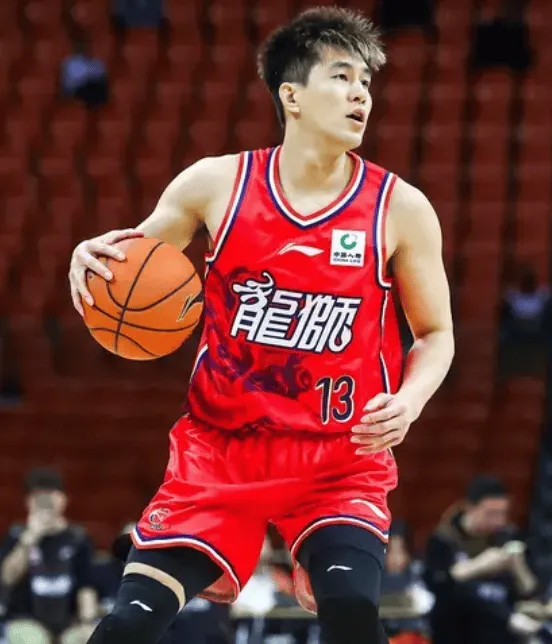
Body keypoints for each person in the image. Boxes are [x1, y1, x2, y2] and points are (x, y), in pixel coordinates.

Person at [68, 7, 454, 644]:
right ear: (291, 96)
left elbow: (436, 334)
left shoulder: (400, 208)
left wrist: (410, 400)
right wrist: (89, 257)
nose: (361, 93)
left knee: (353, 615)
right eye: (342, 77)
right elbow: (129, 266)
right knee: (126, 626)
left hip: (339, 456)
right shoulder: (215, 184)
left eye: (366, 81)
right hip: (220, 454)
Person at [423, 475, 538, 644]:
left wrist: (519, 567)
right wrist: (479, 566)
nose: (499, 521)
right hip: (457, 631)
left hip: (501, 633)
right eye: (491, 514)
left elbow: (530, 591)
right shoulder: (444, 539)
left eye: (503, 513)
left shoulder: (509, 536)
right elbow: (438, 585)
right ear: (469, 508)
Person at [0, 468, 98, 642]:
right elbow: (7, 577)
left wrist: (87, 622)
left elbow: (86, 586)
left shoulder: (78, 538)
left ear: (63, 499)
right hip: (25, 620)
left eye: (50, 497)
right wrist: (30, 538)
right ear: (28, 501)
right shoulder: (16, 535)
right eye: (39, 498)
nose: (45, 504)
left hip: (69, 622)